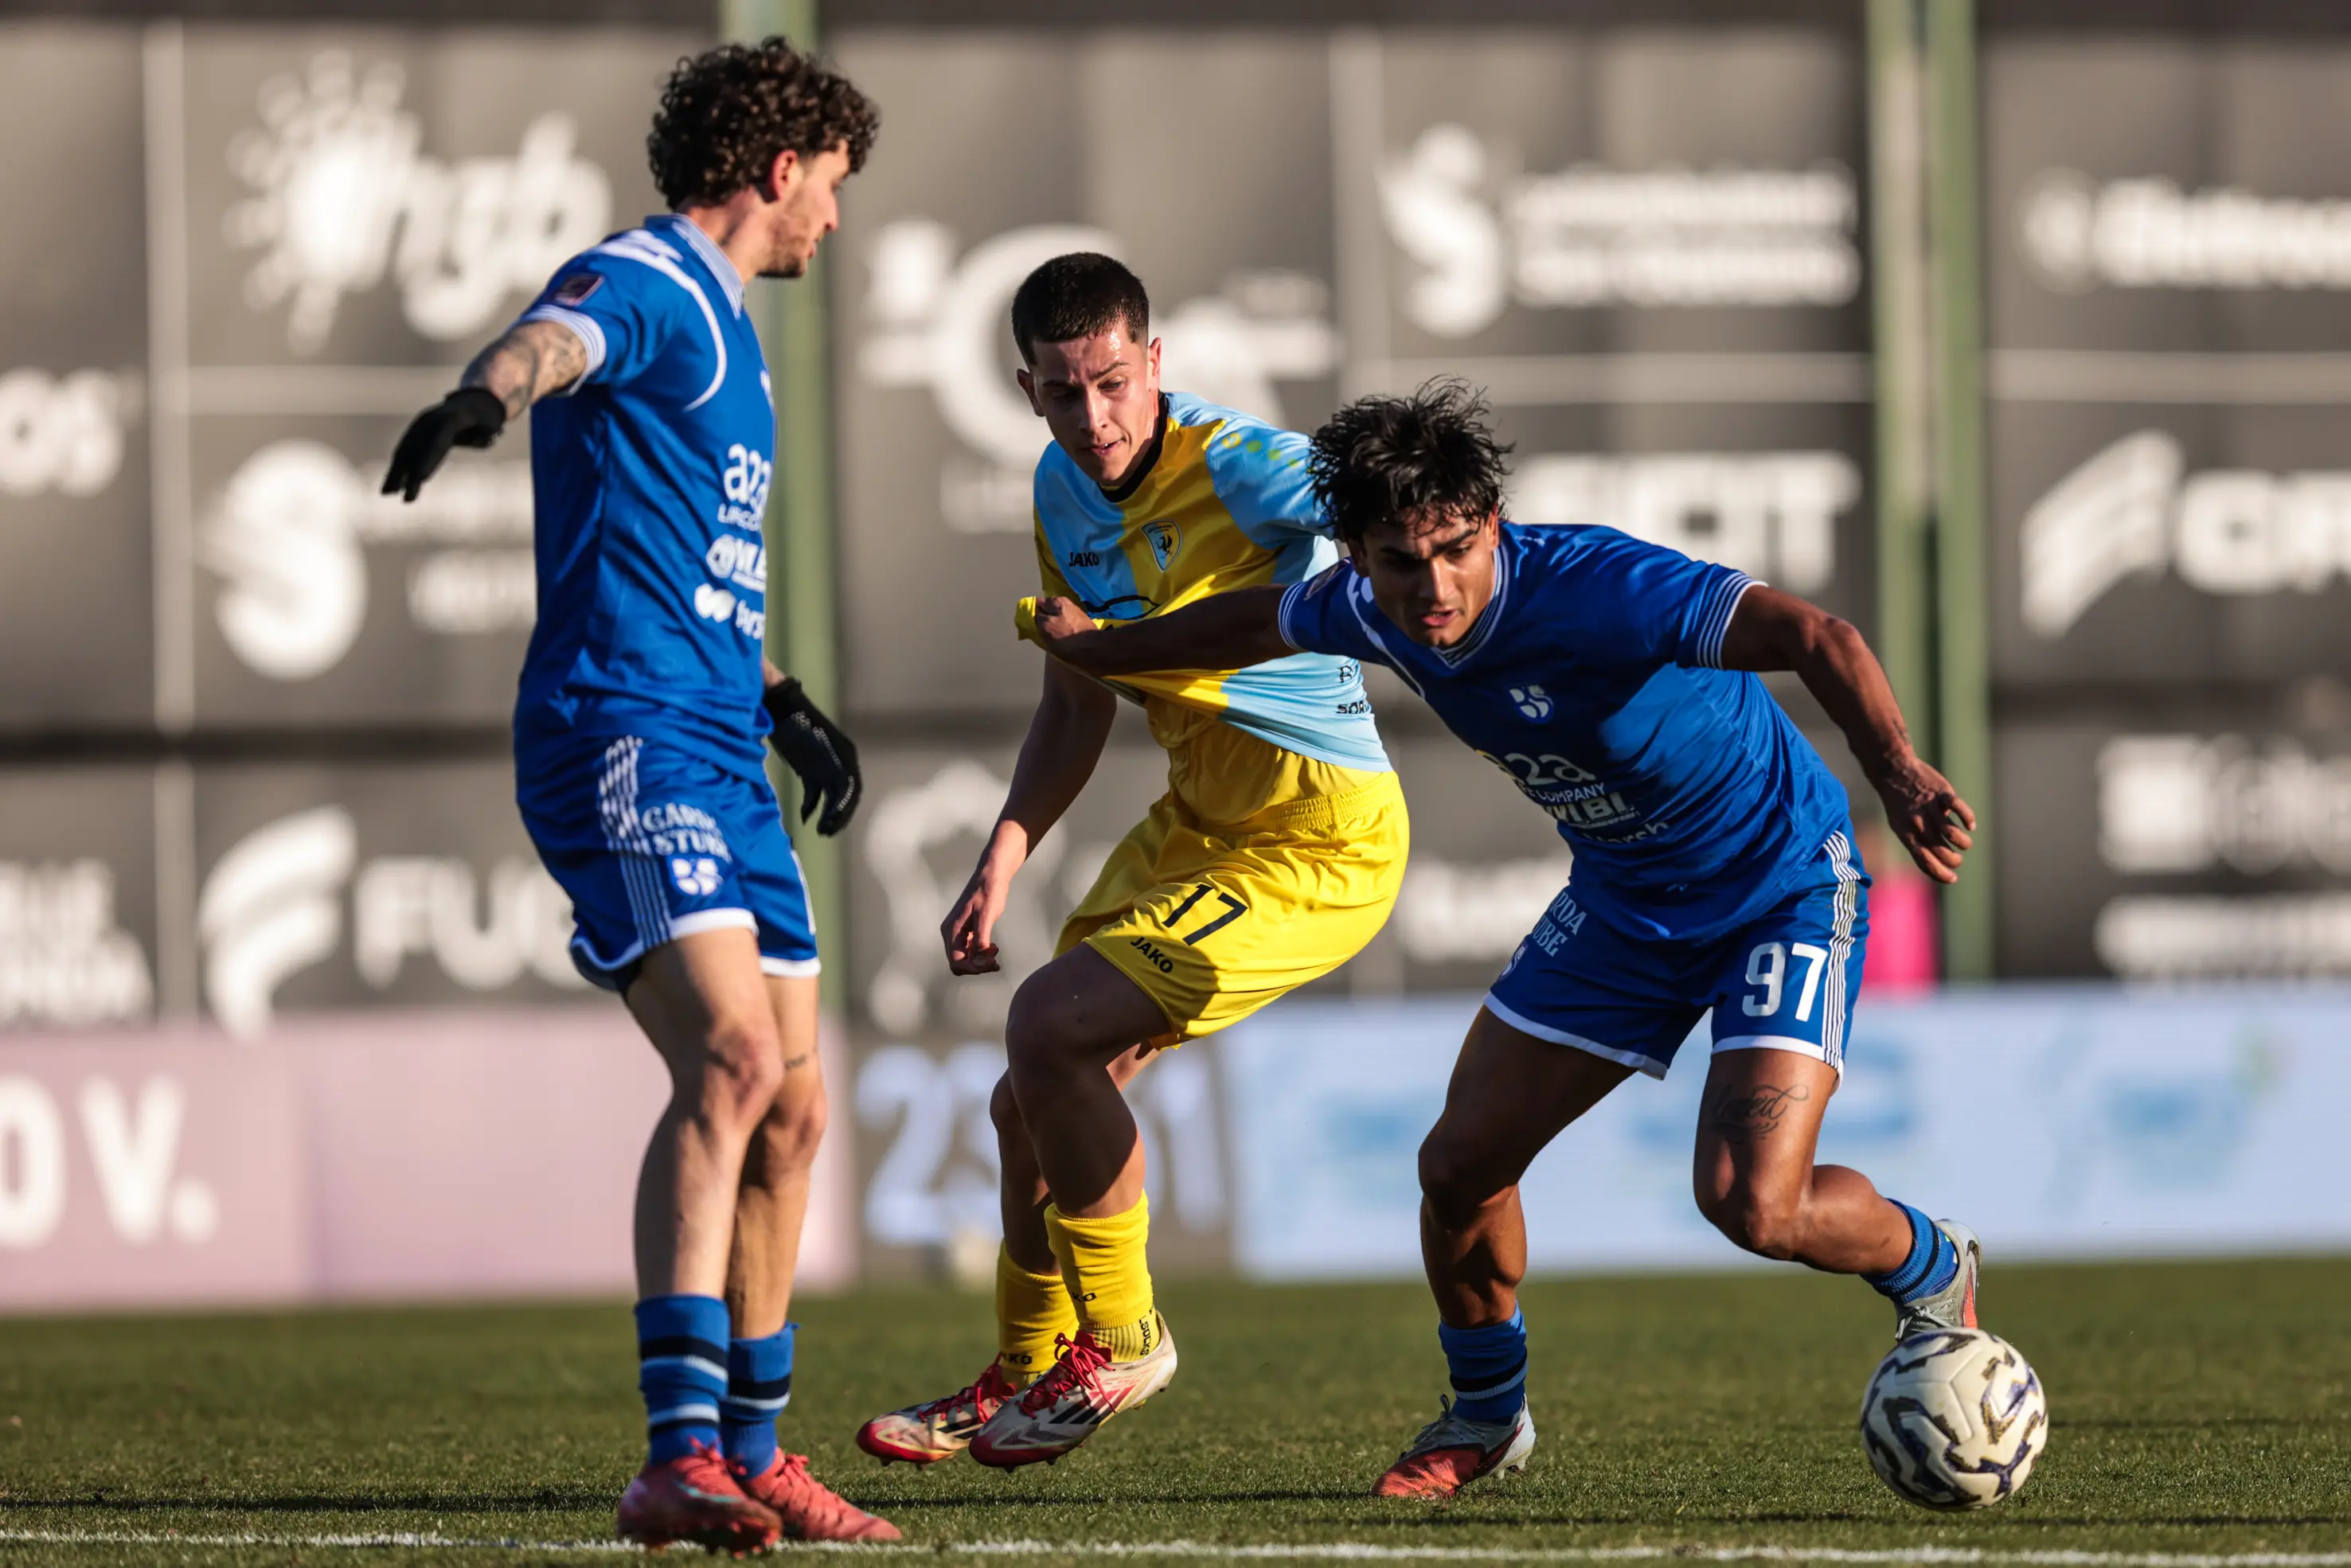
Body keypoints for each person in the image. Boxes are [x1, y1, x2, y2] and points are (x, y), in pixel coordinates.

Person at [1027, 379, 1982, 1500]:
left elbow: (1817, 633)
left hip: (1777, 881)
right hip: (1627, 902)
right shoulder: (1367, 606)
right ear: (1361, 558)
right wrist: (1113, 649)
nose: (1434, 586)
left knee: (1752, 1205)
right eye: (1400, 560)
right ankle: (1485, 1416)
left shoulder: (1601, 587)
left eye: (1457, 548)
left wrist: (1899, 770)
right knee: (1459, 1165)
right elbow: (1246, 619)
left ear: (1492, 520)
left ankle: (1936, 1262)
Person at [380, 38, 895, 1550]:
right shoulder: (656, 277)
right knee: (733, 1059)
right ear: (783, 168)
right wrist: (484, 398)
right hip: (624, 731)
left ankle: (754, 1448)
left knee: (796, 1111)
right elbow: (555, 340)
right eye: (836, 191)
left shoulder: (725, 333)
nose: (838, 226)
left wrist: (786, 700)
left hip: (723, 737)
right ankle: (675, 1456)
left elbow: (693, 558)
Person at [853, 253, 1409, 1469]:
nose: (1094, 419)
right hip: (1201, 818)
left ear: (1156, 363)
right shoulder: (1060, 491)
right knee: (1025, 1102)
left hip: (1317, 835)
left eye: (1114, 383)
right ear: (1027, 389)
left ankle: (1125, 1333)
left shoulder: (1247, 468)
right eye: (1064, 394)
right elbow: (1076, 699)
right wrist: (1001, 857)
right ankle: (1023, 1367)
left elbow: (1400, 530)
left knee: (1048, 1025)